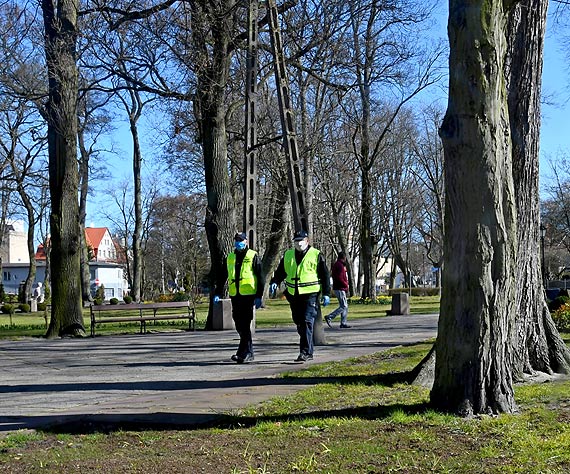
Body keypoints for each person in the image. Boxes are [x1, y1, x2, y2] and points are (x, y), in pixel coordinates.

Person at [270, 230, 330, 362]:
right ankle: (307, 349)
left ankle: (306, 352)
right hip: (294, 294)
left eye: (301, 240)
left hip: (310, 294)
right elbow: (281, 272)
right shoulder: (288, 255)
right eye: (296, 241)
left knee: (306, 321)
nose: (298, 243)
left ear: (307, 241)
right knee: (299, 322)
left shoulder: (316, 254)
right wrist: (274, 282)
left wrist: (326, 293)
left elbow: (325, 275)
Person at [214, 232, 264, 364]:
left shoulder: (253, 255)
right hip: (235, 295)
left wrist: (259, 296)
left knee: (245, 324)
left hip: (248, 295)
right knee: (239, 324)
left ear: (246, 241)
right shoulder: (230, 257)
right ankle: (247, 352)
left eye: (241, 240)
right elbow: (222, 276)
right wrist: (218, 292)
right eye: (237, 240)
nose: (238, 242)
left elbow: (261, 277)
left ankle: (244, 353)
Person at [325, 252, 351, 328]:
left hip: (339, 288)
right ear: (344, 258)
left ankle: (343, 323)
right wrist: (346, 285)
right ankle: (330, 317)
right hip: (340, 288)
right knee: (344, 306)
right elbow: (340, 278)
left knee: (344, 306)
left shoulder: (339, 265)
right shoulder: (339, 265)